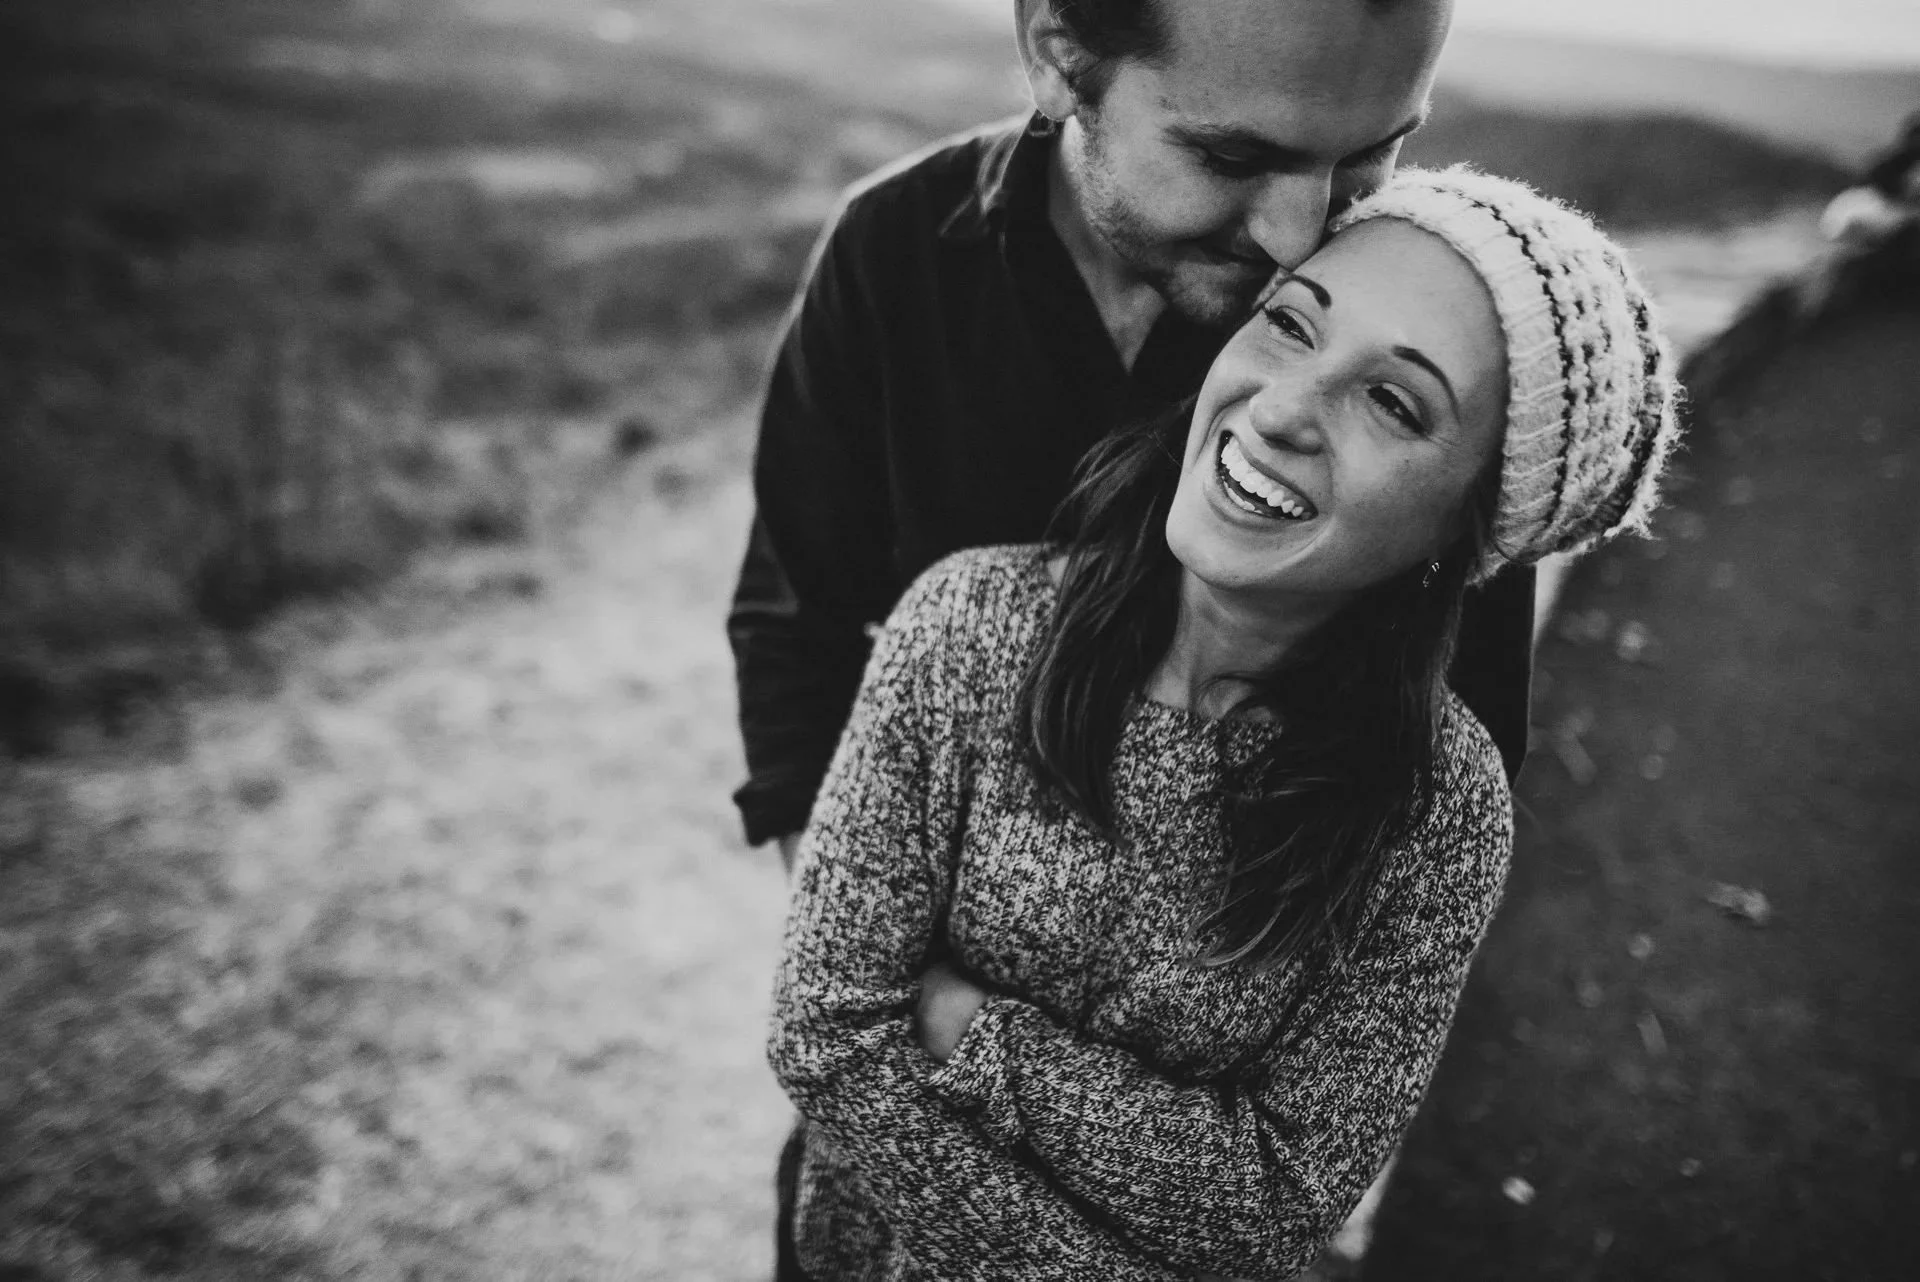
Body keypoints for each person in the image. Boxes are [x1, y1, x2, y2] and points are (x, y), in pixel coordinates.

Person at [768, 167, 1681, 1281]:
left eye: (1393, 402)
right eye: (1293, 324)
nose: (1286, 408)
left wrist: (977, 1037)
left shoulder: (1437, 811)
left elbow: (1275, 1202)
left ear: (1467, 527)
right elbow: (826, 1031)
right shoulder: (966, 627)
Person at [727, 0, 1542, 878]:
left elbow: (1461, 733)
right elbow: (796, 625)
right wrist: (851, 935)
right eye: (1235, 156)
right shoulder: (892, 249)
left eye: (1368, 154)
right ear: (1058, 52)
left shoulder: (1440, 327)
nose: (1299, 237)